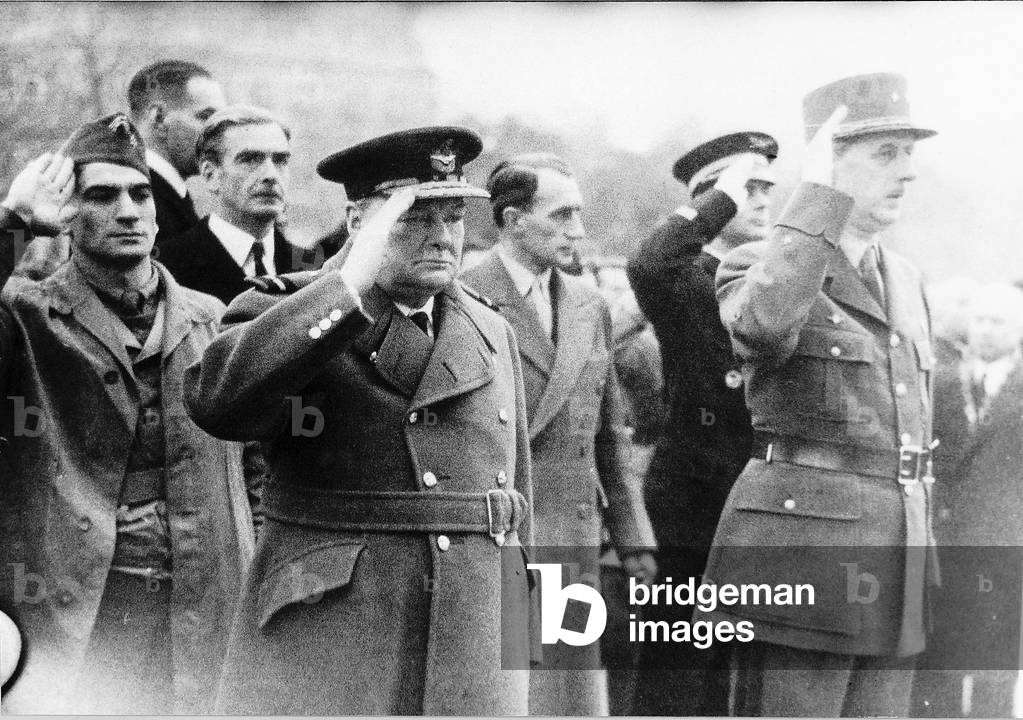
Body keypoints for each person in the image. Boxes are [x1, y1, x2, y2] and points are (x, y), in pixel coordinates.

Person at [184, 126, 535, 715]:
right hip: (342, 621)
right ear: (357, 224)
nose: (442, 237)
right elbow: (219, 403)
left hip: (475, 623)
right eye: (414, 217)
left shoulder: (490, 328)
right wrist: (347, 286)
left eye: (452, 217)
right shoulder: (291, 311)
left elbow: (518, 496)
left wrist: (524, 641)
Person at [697, 72, 938, 717]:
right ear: (829, 165)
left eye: (910, 154)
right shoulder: (759, 260)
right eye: (886, 153)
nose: (907, 172)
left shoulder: (907, 278)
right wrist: (818, 197)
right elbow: (764, 324)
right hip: (802, 553)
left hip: (897, 553)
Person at [0, 115, 254, 714]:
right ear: (66, 214)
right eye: (101, 195)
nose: (129, 210)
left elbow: (258, 461)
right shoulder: (24, 315)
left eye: (141, 193)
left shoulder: (211, 317)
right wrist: (14, 225)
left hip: (199, 611)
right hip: (77, 615)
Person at [462, 152, 656, 716]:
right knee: (508, 695)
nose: (577, 230)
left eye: (579, 214)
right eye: (562, 214)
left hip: (573, 532)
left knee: (568, 696)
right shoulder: (461, 294)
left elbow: (604, 433)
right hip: (497, 535)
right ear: (512, 219)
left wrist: (632, 531)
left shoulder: (586, 302)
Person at [627, 131, 778, 716]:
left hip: (758, 493)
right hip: (695, 494)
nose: (762, 201)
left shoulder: (770, 282)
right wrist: (724, 199)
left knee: (740, 664)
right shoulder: (685, 275)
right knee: (676, 660)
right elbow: (649, 259)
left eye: (768, 189)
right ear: (712, 198)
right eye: (749, 190)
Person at [912, 283, 1023, 718]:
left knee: (994, 664)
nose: (987, 331)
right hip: (943, 541)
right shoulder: (939, 382)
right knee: (938, 658)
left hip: (1003, 547)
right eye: (980, 319)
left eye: (999, 322)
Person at [158, 106, 310, 305]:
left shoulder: (311, 266)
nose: (271, 175)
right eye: (250, 160)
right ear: (210, 174)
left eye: (280, 160)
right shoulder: (167, 268)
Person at [128, 60, 227, 247]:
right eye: (206, 117)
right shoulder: (139, 201)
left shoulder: (161, 194)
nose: (220, 132)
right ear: (159, 118)